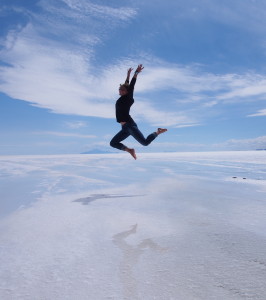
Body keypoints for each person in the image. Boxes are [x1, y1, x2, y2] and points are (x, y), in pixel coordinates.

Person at [110, 64, 167, 159]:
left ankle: (158, 132)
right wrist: (128, 74)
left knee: (145, 143)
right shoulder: (123, 97)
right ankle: (130, 150)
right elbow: (127, 84)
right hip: (124, 128)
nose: (119, 90)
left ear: (126, 91)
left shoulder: (128, 98)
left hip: (130, 125)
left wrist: (136, 73)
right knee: (113, 143)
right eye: (119, 88)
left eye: (122, 89)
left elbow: (131, 85)